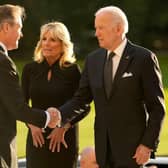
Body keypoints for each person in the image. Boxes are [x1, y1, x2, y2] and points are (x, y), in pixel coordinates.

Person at [57, 5, 165, 168]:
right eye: (96, 28)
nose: (96, 33)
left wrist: (147, 144)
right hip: (103, 149)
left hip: (133, 150)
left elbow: (157, 108)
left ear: (119, 28)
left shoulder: (144, 58)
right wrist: (56, 115)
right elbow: (81, 100)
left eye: (101, 28)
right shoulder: (93, 60)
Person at [21, 21, 89, 168]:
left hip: (64, 139)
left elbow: (84, 105)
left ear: (63, 44)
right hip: (36, 137)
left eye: (53, 40)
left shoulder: (72, 71)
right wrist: (31, 124)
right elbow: (21, 104)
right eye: (44, 39)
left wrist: (63, 127)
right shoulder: (29, 69)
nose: (47, 44)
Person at [0, 4, 60, 168]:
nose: (21, 33)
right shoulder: (3, 62)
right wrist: (48, 118)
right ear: (6, 27)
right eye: (19, 27)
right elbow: (17, 107)